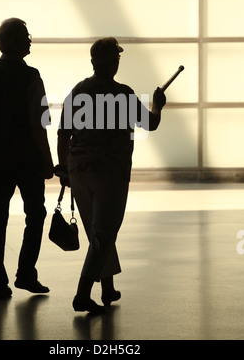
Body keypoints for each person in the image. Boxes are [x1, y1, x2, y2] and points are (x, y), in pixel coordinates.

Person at [56, 37, 166, 314]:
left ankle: (107, 288)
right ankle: (82, 293)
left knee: (98, 232)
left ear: (93, 61)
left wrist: (65, 168)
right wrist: (157, 105)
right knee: (104, 233)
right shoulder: (123, 94)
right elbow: (150, 124)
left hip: (79, 170)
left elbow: (62, 134)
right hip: (111, 173)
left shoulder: (78, 91)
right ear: (115, 62)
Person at [0, 18, 54, 300]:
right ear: (16, 42)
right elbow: (38, 125)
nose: (30, 40)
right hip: (28, 160)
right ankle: (26, 274)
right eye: (26, 36)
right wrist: (47, 161)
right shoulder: (32, 77)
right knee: (36, 214)